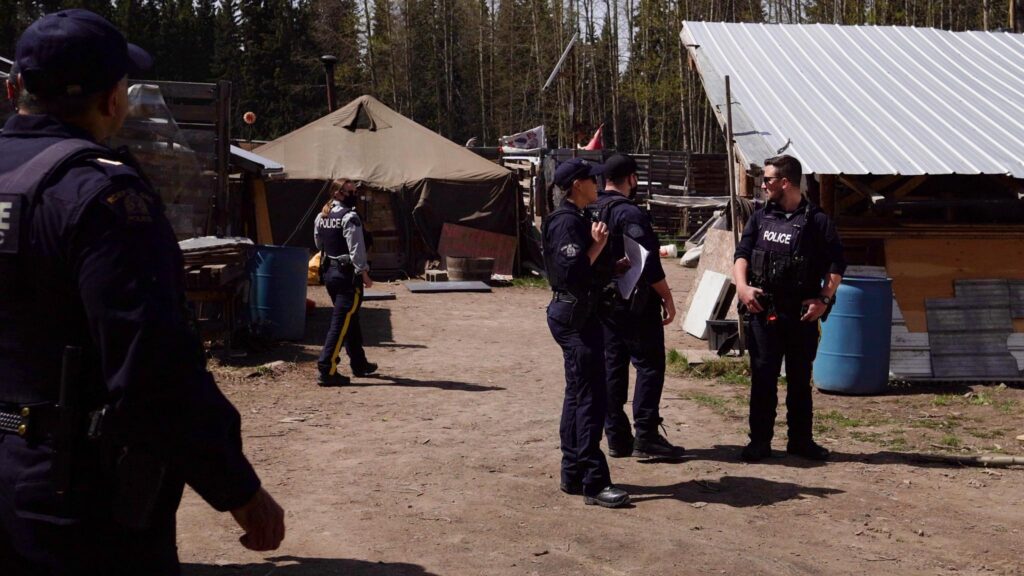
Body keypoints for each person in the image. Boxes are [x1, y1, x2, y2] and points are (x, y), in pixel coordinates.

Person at [0, 9, 284, 575]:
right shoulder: (101, 196)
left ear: (15, 89)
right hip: (73, 498)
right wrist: (239, 489)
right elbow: (154, 368)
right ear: (112, 101)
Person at [733, 154, 845, 462]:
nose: (763, 185)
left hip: (800, 314)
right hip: (764, 312)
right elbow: (741, 254)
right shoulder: (759, 217)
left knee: (799, 379)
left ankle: (800, 441)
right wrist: (742, 288)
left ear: (786, 182)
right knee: (763, 378)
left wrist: (824, 298)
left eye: (767, 180)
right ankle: (759, 442)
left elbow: (837, 263)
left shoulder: (817, 221)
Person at [544, 158, 629, 508]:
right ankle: (594, 482)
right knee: (591, 398)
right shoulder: (566, 222)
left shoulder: (576, 218)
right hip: (574, 318)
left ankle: (573, 471)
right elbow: (573, 272)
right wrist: (595, 247)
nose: (598, 184)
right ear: (577, 185)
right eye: (592, 179)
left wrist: (611, 263)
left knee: (578, 395)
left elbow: (588, 268)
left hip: (578, 314)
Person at [590, 153, 683, 459]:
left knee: (613, 366)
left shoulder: (593, 208)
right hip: (636, 305)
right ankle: (646, 434)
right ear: (631, 178)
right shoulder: (630, 213)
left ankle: (616, 437)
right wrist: (667, 298)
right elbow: (648, 263)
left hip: (604, 303)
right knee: (649, 366)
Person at [314, 178, 378, 386]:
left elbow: (318, 242)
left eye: (354, 191)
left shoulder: (321, 216)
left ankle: (359, 363)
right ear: (337, 193)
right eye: (348, 192)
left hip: (331, 274)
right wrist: (364, 274)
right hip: (348, 275)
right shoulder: (350, 217)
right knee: (341, 322)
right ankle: (327, 368)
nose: (353, 196)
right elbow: (356, 249)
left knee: (351, 318)